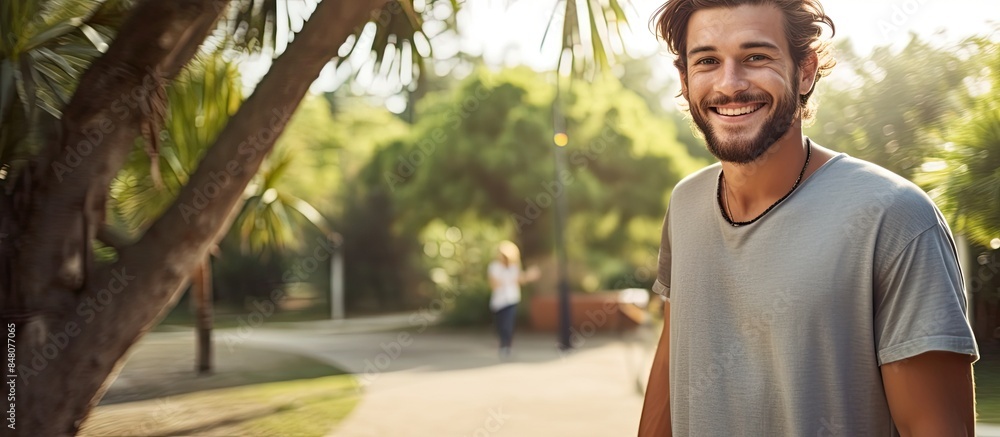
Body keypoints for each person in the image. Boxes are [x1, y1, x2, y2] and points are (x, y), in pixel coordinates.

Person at [637, 1, 978, 436]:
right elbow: (672, 365)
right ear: (685, 80)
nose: (729, 84)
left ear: (805, 70)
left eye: (755, 57)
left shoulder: (894, 217)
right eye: (707, 61)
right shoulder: (685, 204)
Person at [488, 240, 539, 358]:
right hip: (498, 302)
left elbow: (520, 279)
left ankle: (506, 346)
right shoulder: (494, 267)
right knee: (499, 325)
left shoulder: (514, 267)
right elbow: (495, 284)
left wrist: (529, 276)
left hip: (511, 299)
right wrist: (511, 280)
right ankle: (502, 343)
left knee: (508, 325)